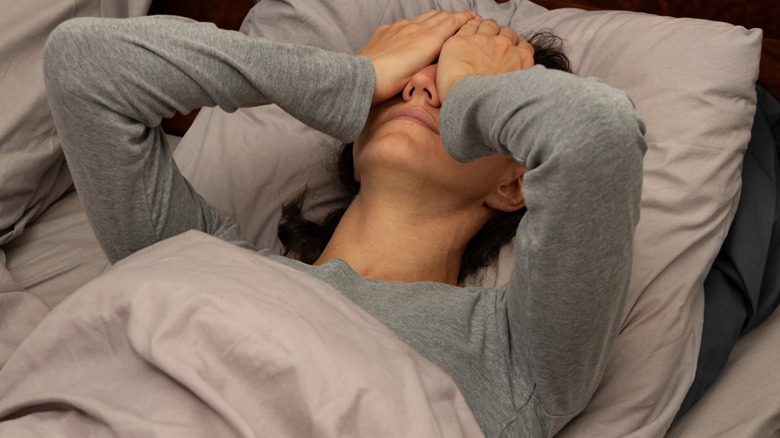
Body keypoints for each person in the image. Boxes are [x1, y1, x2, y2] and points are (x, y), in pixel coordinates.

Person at [43, 10, 646, 438]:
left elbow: (596, 134)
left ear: (514, 182)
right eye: (417, 69)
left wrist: (470, 93)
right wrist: (351, 77)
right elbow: (84, 64)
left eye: (464, 78)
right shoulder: (201, 253)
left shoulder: (516, 357)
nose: (421, 85)